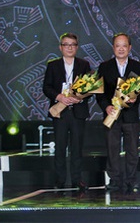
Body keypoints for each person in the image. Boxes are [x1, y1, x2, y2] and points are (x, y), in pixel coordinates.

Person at [96, 33, 140, 192]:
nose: (121, 49)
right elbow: (99, 92)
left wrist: (135, 99)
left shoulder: (137, 66)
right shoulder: (104, 66)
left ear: (130, 48)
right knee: (112, 148)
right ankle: (115, 180)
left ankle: (131, 179)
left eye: (124, 45)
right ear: (113, 48)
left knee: (132, 149)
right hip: (112, 115)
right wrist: (106, 107)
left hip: (131, 115)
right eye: (118, 45)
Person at [42, 32, 92, 190]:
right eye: (66, 45)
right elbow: (46, 87)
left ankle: (77, 179)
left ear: (77, 47)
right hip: (60, 112)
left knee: (77, 147)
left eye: (73, 45)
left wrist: (80, 97)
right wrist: (59, 97)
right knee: (60, 147)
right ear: (60, 47)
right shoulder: (53, 65)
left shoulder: (84, 64)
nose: (69, 47)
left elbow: (90, 88)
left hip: (78, 111)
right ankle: (59, 179)